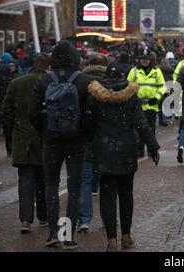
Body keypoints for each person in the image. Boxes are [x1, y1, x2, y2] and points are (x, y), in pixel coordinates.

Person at [85, 62, 160, 251]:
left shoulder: (95, 96)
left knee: (107, 196)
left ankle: (111, 239)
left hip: (103, 151)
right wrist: (153, 147)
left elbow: (87, 124)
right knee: (126, 195)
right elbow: (142, 125)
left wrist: (91, 142)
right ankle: (126, 236)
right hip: (126, 151)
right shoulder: (131, 97)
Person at [30, 40, 93, 250]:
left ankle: (52, 233)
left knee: (51, 185)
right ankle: (69, 236)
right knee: (74, 187)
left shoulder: (44, 80)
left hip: (51, 140)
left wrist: (46, 132)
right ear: (76, 58)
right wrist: (84, 133)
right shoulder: (85, 80)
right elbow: (93, 115)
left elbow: (32, 114)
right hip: (76, 141)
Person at [2, 53, 51, 233]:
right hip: (45, 140)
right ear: (48, 66)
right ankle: (44, 216)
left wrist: (15, 128)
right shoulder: (50, 82)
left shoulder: (17, 83)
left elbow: (5, 110)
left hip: (23, 140)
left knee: (26, 181)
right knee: (44, 181)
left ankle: (26, 220)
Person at [77, 54, 109, 233]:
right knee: (107, 182)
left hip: (85, 140)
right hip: (107, 140)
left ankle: (84, 219)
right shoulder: (112, 82)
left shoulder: (81, 82)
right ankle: (107, 219)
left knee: (85, 182)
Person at [127, 48, 166, 158]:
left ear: (150, 60)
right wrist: (133, 98)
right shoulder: (133, 71)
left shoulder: (156, 71)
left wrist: (156, 98)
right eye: (143, 59)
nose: (144, 61)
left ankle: (150, 149)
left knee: (150, 128)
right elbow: (128, 86)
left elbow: (162, 87)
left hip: (151, 105)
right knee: (138, 129)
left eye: (147, 59)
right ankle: (139, 150)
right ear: (139, 60)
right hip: (137, 106)